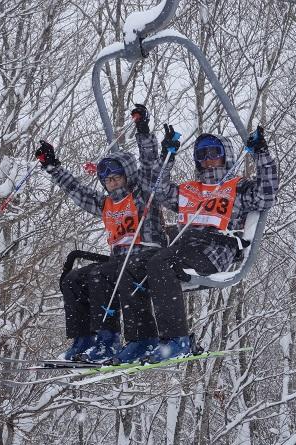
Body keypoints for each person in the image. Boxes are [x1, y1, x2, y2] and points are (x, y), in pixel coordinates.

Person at [112, 125, 279, 363]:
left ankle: (177, 339)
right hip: (183, 248)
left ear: (225, 155)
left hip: (214, 250)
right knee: (129, 267)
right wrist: (166, 157)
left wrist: (261, 153)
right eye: (202, 155)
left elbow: (268, 194)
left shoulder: (238, 188)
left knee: (161, 262)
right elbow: (159, 191)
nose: (208, 160)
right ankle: (141, 339)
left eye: (214, 153)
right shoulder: (190, 190)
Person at [34, 105, 166, 362]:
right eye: (107, 179)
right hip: (120, 262)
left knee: (99, 275)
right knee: (73, 279)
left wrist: (143, 131)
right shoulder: (106, 204)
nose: (112, 182)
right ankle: (85, 338)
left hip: (146, 255)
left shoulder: (142, 196)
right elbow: (78, 192)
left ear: (127, 176)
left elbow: (150, 166)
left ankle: (111, 339)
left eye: (117, 177)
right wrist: (52, 167)